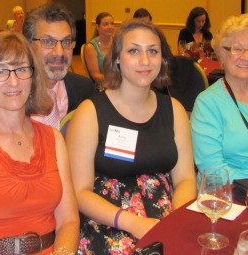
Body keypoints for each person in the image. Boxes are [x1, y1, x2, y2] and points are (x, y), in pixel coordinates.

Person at [66, 19, 197, 254]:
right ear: (117, 57)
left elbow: (186, 179)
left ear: (163, 59)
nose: (145, 61)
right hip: (109, 220)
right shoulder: (90, 112)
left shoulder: (174, 109)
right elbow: (79, 192)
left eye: (153, 51)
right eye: (134, 51)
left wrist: (176, 217)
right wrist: (134, 223)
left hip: (166, 213)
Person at [0, 31, 79, 254]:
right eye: (1, 71)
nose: (13, 81)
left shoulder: (54, 139)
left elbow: (69, 221)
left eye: (21, 69)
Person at [191, 13, 248, 185]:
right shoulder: (208, 103)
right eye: (238, 49)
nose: (247, 56)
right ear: (221, 55)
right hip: (231, 192)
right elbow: (213, 168)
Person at [22, 4, 95, 130]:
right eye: (48, 41)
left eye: (66, 42)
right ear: (28, 45)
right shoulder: (10, 93)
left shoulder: (85, 89)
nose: (59, 52)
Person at [84, 12, 114, 87]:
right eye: (106, 24)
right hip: (101, 86)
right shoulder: (91, 47)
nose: (110, 27)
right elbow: (96, 76)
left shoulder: (117, 42)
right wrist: (116, 79)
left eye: (111, 23)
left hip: (118, 84)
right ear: (97, 27)